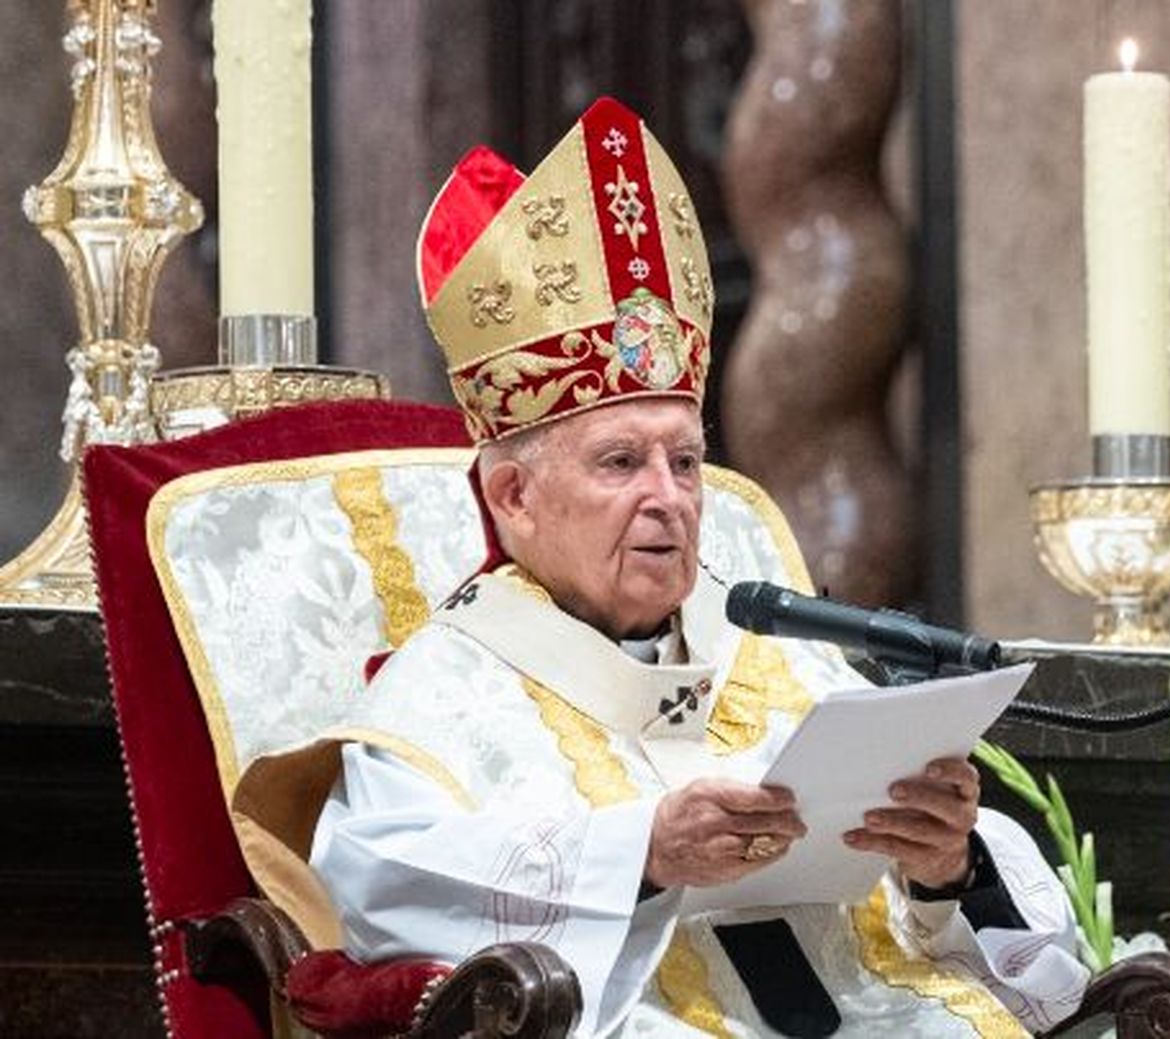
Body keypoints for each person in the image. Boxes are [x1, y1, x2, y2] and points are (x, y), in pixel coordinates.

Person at [308, 97, 1089, 1038]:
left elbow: (998, 959)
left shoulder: (777, 651)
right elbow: (385, 892)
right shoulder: (445, 696)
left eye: (684, 459)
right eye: (619, 462)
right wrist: (643, 852)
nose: (669, 496)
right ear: (513, 496)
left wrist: (943, 868)